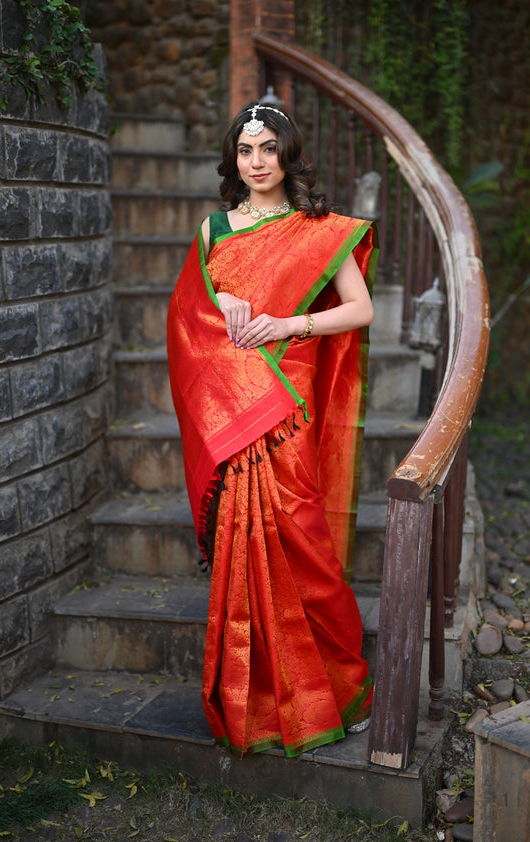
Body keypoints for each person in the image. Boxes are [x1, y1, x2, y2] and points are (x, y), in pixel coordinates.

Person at [167, 101, 378, 758]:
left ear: (288, 153)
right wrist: (218, 301)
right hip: (231, 415)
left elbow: (361, 309)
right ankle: (254, 703)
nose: (256, 163)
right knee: (242, 550)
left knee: (305, 547)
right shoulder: (213, 231)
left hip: (289, 408)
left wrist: (288, 325)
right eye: (245, 151)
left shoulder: (320, 228)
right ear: (233, 159)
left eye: (267, 149)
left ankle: (339, 688)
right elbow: (183, 321)